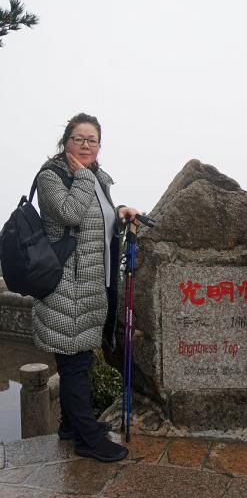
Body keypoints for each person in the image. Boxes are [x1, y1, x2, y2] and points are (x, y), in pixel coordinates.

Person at [33, 113, 139, 463]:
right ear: (66, 142)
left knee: (78, 360)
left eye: (92, 140)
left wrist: (119, 210)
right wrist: (80, 177)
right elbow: (69, 215)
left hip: (92, 284)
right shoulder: (53, 176)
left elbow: (98, 222)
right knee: (74, 363)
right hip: (65, 285)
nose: (86, 145)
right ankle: (88, 438)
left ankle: (69, 427)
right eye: (79, 138)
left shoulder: (96, 180)